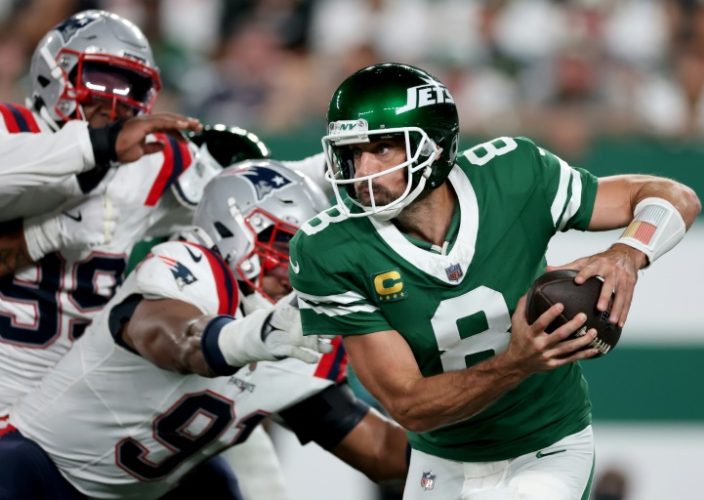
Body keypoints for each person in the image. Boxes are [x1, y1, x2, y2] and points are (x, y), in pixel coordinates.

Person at [289, 63, 702, 500]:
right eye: (352, 151)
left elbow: (675, 196)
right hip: (440, 460)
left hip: (547, 446)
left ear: (433, 146)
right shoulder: (327, 249)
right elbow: (408, 404)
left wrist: (627, 254)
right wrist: (517, 361)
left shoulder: (513, 175)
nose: (362, 168)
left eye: (384, 149)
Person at [0, 161, 409, 499]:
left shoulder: (297, 340)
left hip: (144, 491)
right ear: (233, 231)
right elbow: (174, 341)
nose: (297, 268)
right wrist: (257, 338)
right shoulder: (192, 268)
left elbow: (380, 452)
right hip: (36, 470)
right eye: (285, 245)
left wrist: (468, 440)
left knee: (214, 487)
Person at [0, 10, 207, 417]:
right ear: (55, 72)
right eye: (99, 79)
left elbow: (235, 210)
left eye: (130, 86)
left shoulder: (150, 162)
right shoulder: (12, 130)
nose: (115, 100)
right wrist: (54, 227)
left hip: (74, 403)